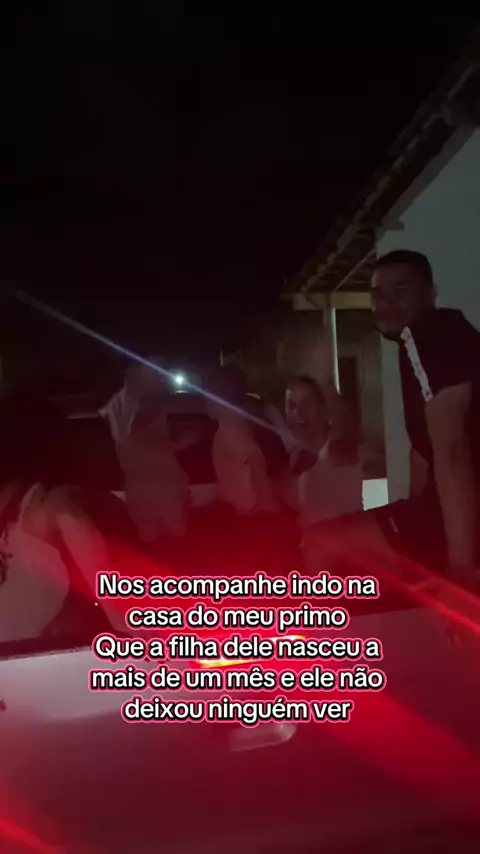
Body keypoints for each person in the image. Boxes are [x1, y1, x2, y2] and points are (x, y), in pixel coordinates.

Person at [304, 249, 480, 599]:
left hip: (468, 512)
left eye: (401, 291)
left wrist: (461, 569)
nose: (386, 305)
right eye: (378, 295)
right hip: (448, 505)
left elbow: (452, 451)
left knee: (321, 543)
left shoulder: (428, 336)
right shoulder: (437, 338)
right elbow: (426, 454)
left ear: (430, 293)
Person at [0, 402, 121, 642]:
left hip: (21, 653)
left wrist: (120, 618)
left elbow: (70, 518)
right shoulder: (32, 508)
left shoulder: (39, 507)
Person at [100, 357, 191, 546]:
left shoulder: (117, 401)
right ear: (135, 369)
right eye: (155, 369)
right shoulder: (147, 400)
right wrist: (182, 443)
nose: (161, 375)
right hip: (160, 486)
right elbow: (137, 433)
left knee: (152, 543)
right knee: (174, 543)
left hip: (138, 485)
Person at [285, 372, 363, 527]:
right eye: (292, 405)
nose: (297, 412)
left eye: (307, 404)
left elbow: (347, 429)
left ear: (324, 409)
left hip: (345, 541)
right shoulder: (294, 455)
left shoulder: (339, 450)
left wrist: (324, 381)